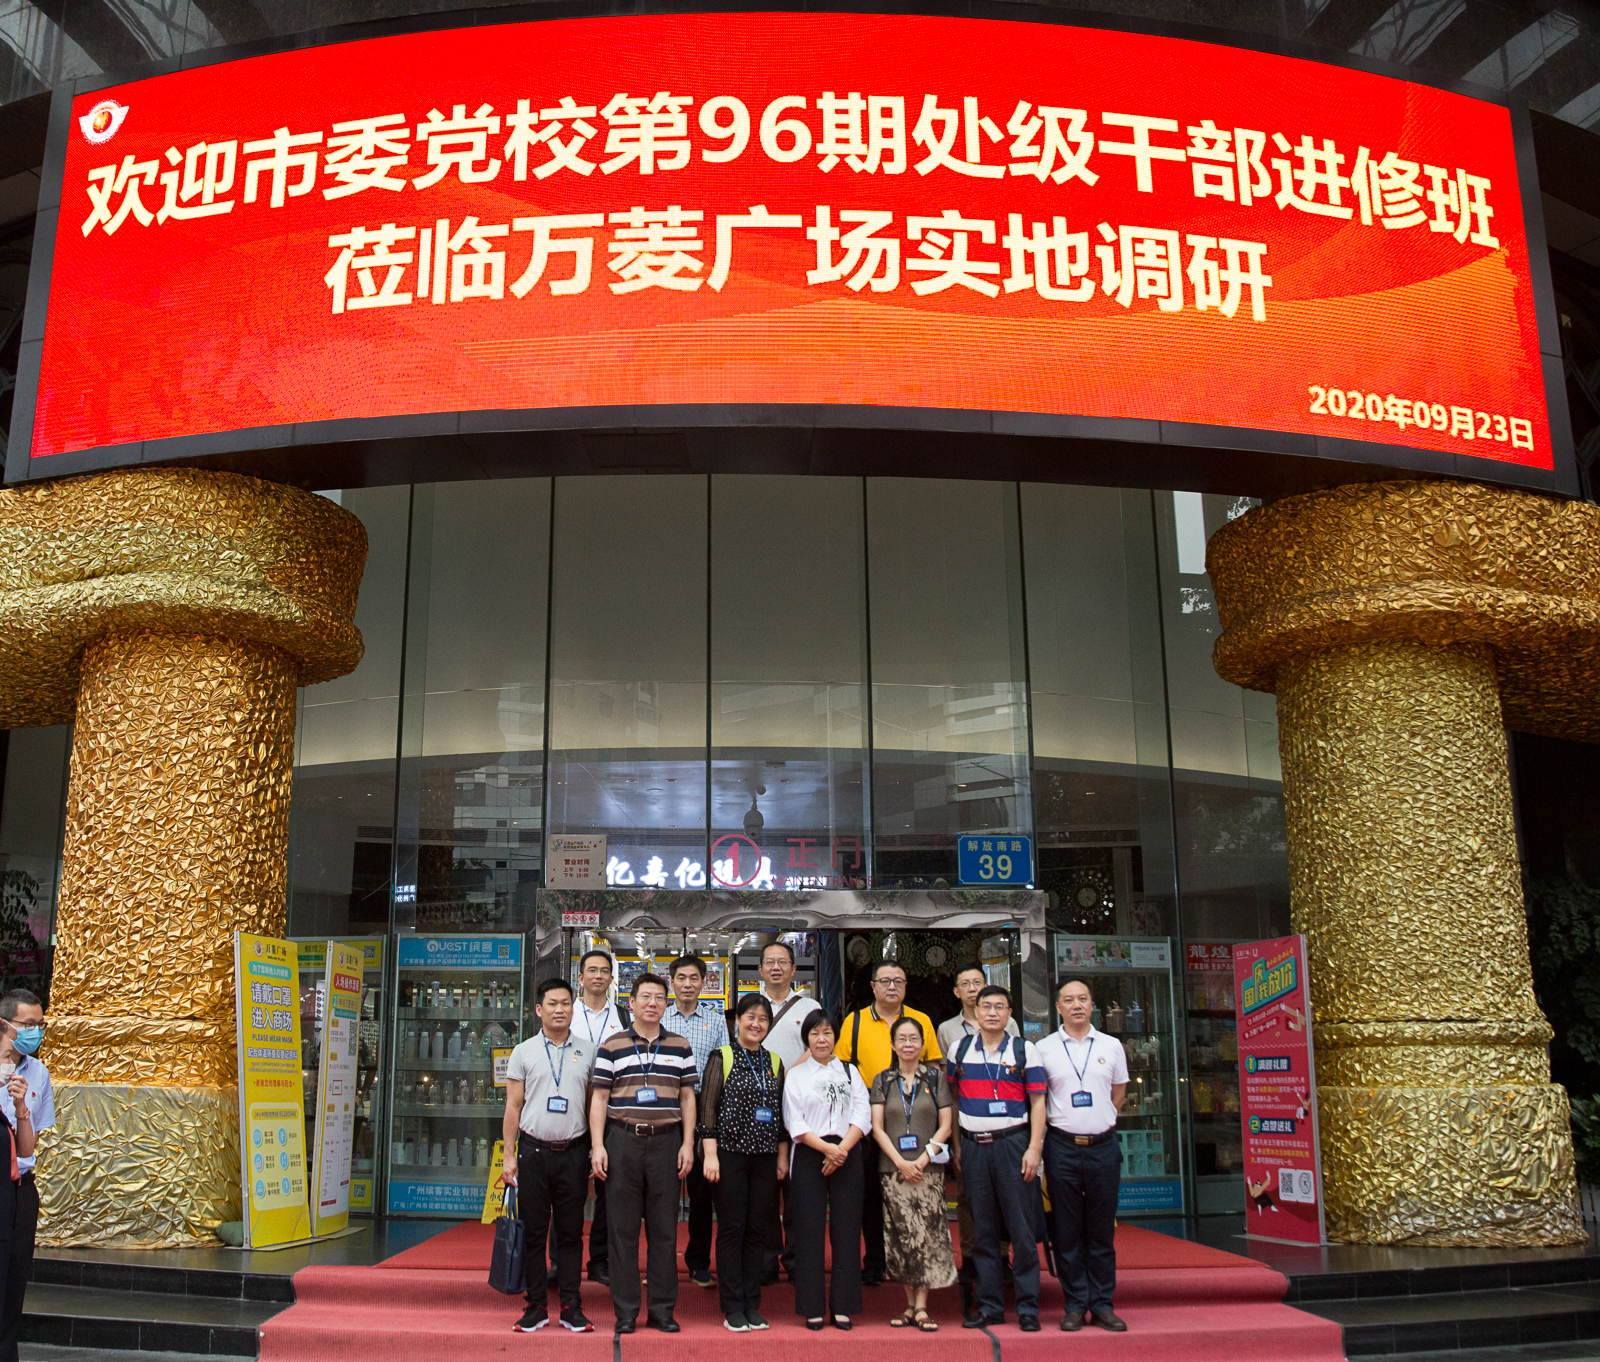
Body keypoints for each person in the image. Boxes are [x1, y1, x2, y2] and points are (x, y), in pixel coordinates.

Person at [588, 974, 696, 1335]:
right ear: (630, 1003)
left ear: (666, 1004)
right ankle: (626, 1311)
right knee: (623, 1231)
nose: (652, 1003)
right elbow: (600, 1097)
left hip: (667, 1142)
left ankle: (663, 1310)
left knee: (665, 1231)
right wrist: (598, 1145)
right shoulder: (612, 1045)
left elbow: (686, 1097)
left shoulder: (680, 1045)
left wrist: (688, 1143)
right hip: (622, 1141)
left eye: (658, 998)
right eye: (645, 997)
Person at [947, 985, 1046, 1334]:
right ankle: (989, 1306)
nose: (991, 1012)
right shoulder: (959, 1050)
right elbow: (955, 1101)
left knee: (1020, 1229)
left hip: (1012, 1145)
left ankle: (1028, 1307)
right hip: (974, 1147)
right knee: (983, 1231)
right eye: (985, 1006)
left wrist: (1034, 1148)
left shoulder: (1025, 1051)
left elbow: (1037, 1103)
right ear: (975, 1010)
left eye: (999, 1007)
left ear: (1009, 1014)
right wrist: (958, 1148)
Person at [503, 978, 597, 1334]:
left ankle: (572, 1306)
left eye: (566, 1003)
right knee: (534, 1233)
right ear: (539, 1010)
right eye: (553, 1004)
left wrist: (594, 1148)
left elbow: (593, 1104)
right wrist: (509, 1156)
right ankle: (536, 1305)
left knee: (572, 1233)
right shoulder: (523, 1051)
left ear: (574, 1008)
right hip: (533, 1153)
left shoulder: (588, 1051)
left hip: (573, 1153)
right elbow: (513, 1106)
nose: (560, 1010)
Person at [837, 960, 940, 1286]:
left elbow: (934, 1068)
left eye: (898, 980)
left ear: (906, 985)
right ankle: (874, 1261)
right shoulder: (854, 1022)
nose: (891, 986)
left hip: (911, 1119)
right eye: (885, 981)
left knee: (911, 1191)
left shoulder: (920, 1021)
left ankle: (911, 1262)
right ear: (872, 986)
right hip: (867, 1119)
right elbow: (840, 1071)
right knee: (868, 1194)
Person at [1038, 978, 1128, 1333]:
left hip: (1103, 1148)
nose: (1077, 1005)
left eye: (1083, 999)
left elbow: (1117, 1094)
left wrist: (1098, 1122)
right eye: (1069, 1000)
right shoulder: (1043, 1048)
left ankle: (1103, 1304)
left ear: (1093, 1005)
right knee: (1067, 1230)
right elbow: (1039, 1099)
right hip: (1061, 1146)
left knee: (1102, 1231)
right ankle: (1075, 1304)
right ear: (1058, 1007)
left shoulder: (1112, 1045)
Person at [700, 993, 788, 1332]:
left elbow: (780, 1115)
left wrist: (781, 1157)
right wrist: (710, 1155)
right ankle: (732, 1305)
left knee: (757, 1231)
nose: (756, 1024)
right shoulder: (721, 1056)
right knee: (732, 1229)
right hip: (729, 1155)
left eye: (763, 1019)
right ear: (737, 1020)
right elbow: (708, 1110)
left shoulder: (774, 1062)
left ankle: (753, 1304)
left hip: (765, 1157)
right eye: (750, 1017)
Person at [935, 966, 1018, 1316]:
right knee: (970, 1197)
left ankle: (1004, 1257)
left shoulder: (1010, 1027)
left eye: (978, 984)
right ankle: (971, 1258)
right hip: (969, 1128)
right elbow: (950, 1089)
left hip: (1009, 1133)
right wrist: (954, 1140)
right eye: (965, 985)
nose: (973, 991)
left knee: (1008, 1199)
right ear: (957, 992)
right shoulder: (948, 1033)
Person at [783, 1010, 870, 1331]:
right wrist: (827, 1149)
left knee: (847, 1231)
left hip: (847, 1151)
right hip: (809, 1152)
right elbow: (794, 1121)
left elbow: (862, 1113)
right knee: (808, 1231)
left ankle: (844, 1306)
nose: (822, 1039)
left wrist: (842, 1148)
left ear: (836, 1037)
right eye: (815, 1034)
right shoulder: (796, 1075)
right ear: (806, 1038)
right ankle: (812, 1307)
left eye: (827, 1033)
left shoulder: (850, 1071)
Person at [869, 1016, 955, 1332]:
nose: (908, 1044)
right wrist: (901, 1162)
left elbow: (946, 1124)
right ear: (893, 1044)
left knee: (927, 1235)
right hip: (893, 1171)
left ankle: (922, 1307)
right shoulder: (882, 1080)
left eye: (914, 1039)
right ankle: (907, 1304)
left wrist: (922, 1159)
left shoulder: (935, 1079)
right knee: (902, 1235)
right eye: (902, 1039)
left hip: (927, 1170)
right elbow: (877, 1127)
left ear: (922, 1044)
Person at [660, 954, 729, 1289]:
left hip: (704, 1104)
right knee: (663, 1189)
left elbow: (724, 1065)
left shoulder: (716, 1021)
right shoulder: (659, 1016)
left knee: (701, 1191)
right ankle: (661, 1264)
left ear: (704, 982)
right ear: (671, 981)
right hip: (664, 1104)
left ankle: (699, 1262)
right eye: (681, 978)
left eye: (694, 978)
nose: (687, 984)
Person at [755, 940, 819, 1283]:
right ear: (761, 970)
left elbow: (819, 1046)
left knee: (799, 1190)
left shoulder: (808, 1005)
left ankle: (797, 1261)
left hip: (800, 1109)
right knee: (764, 1189)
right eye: (770, 962)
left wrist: (787, 1076)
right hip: (759, 1110)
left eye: (783, 962)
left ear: (794, 969)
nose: (776, 968)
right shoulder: (751, 1005)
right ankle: (766, 1261)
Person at [573, 950, 628, 1285]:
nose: (597, 976)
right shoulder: (566, 1011)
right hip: (571, 1113)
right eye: (591, 970)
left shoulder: (622, 1016)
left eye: (604, 971)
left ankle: (599, 1260)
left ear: (611, 979)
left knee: (610, 1191)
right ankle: (560, 1260)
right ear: (580, 978)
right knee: (568, 1191)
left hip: (611, 1115)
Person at [0, 990, 45, 1362]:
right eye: (27, 1025)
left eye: (40, 1025)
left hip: (20, 1189)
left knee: (14, 1284)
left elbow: (27, 1150)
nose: (34, 1033)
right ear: (5, 1026)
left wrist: (21, 1109)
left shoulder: (38, 1072)